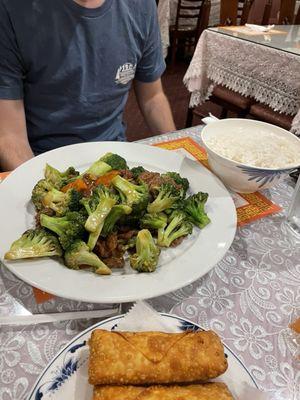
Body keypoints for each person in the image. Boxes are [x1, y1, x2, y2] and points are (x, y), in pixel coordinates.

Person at [0, 0, 175, 171]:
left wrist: (178, 157)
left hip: (115, 157)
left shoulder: (141, 6)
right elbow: (9, 137)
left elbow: (153, 98)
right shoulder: (11, 9)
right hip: (43, 162)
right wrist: (45, 190)